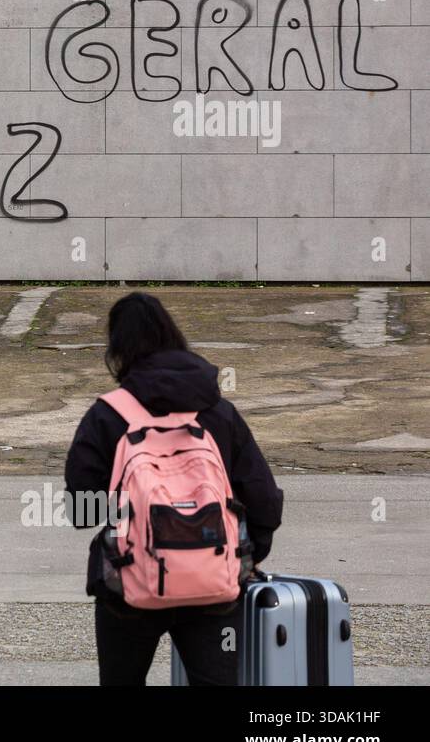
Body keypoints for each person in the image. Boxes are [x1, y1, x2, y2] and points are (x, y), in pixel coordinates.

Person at [64, 292, 284, 686]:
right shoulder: (219, 412)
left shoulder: (108, 414)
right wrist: (243, 559)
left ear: (118, 347)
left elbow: (81, 511)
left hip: (128, 586)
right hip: (214, 584)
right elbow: (264, 498)